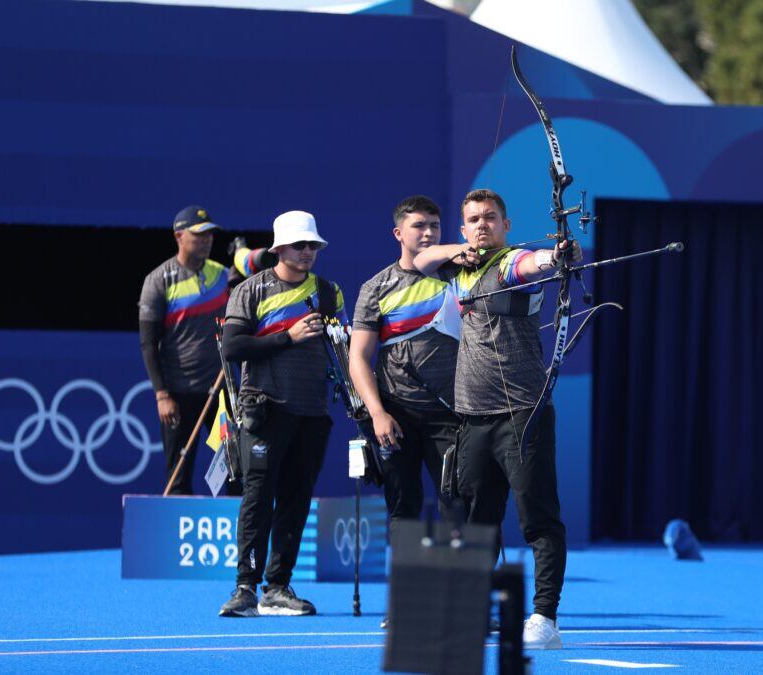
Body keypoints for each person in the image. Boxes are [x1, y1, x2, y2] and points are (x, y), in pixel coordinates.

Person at [413, 188, 582, 650]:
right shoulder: (456, 266)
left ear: (506, 225)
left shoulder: (513, 263)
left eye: (491, 217)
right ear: (464, 228)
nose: (483, 224)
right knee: (474, 522)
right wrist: (457, 251)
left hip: (522, 413)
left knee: (538, 519)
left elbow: (534, 265)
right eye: (474, 219)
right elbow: (423, 260)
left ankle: (545, 618)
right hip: (472, 416)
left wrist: (557, 255)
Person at [217, 210, 346, 618]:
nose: (307, 251)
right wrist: (286, 338)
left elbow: (342, 351)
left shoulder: (329, 292)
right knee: (258, 499)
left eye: (313, 245)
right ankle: (245, 588)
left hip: (312, 411)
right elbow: (232, 349)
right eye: (299, 245)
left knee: (296, 499)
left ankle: (278, 587)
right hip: (265, 411)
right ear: (279, 249)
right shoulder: (251, 290)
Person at [349, 195, 459, 525]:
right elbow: (358, 357)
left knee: (459, 506)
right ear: (398, 233)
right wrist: (378, 413)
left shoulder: (458, 275)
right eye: (419, 226)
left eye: (435, 226)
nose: (428, 233)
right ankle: (409, 579)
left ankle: (464, 578)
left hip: (450, 413)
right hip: (397, 414)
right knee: (403, 509)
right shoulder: (376, 288)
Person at [138, 205, 228, 495]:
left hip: (220, 391)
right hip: (178, 393)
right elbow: (148, 343)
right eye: (198, 234)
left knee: (235, 467)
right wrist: (162, 395)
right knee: (179, 476)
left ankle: (238, 535)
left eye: (210, 235)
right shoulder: (158, 280)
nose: (206, 240)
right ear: (179, 236)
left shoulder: (223, 276)